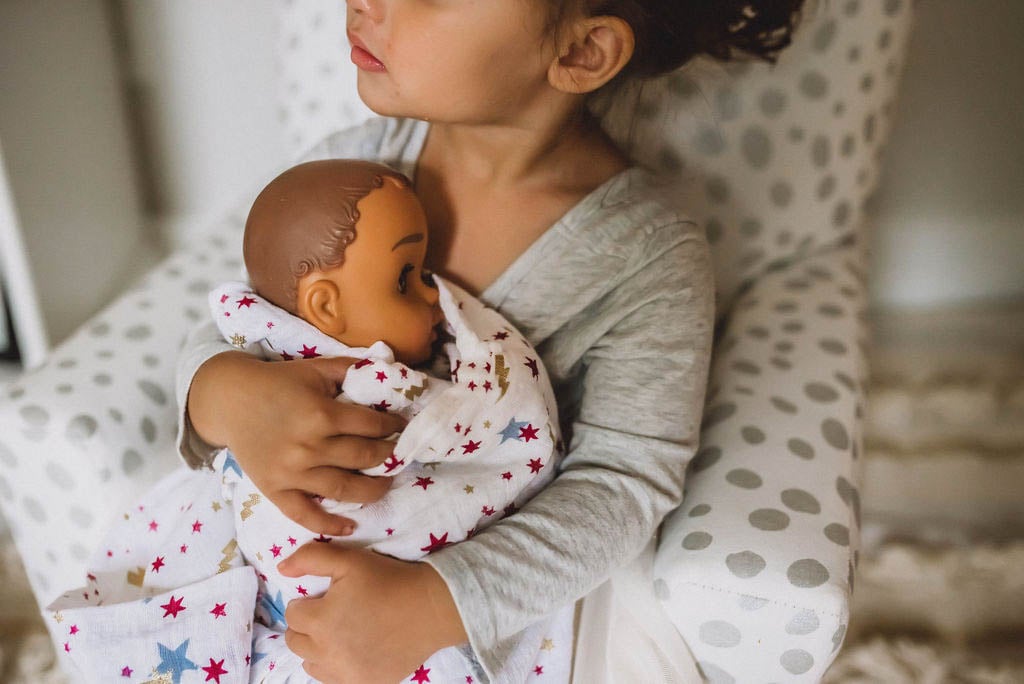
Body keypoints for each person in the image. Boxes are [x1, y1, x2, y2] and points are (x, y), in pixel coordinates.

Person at [179, 1, 807, 682]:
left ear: (581, 51)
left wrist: (434, 602)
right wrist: (225, 393)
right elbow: (240, 323)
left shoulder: (644, 256)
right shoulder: (347, 172)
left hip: (465, 599)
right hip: (282, 574)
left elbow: (625, 482)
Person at [47, 159, 571, 683]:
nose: (437, 293)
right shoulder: (368, 150)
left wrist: (435, 603)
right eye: (406, 279)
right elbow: (216, 338)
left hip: (391, 611)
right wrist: (230, 390)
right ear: (324, 306)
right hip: (286, 590)